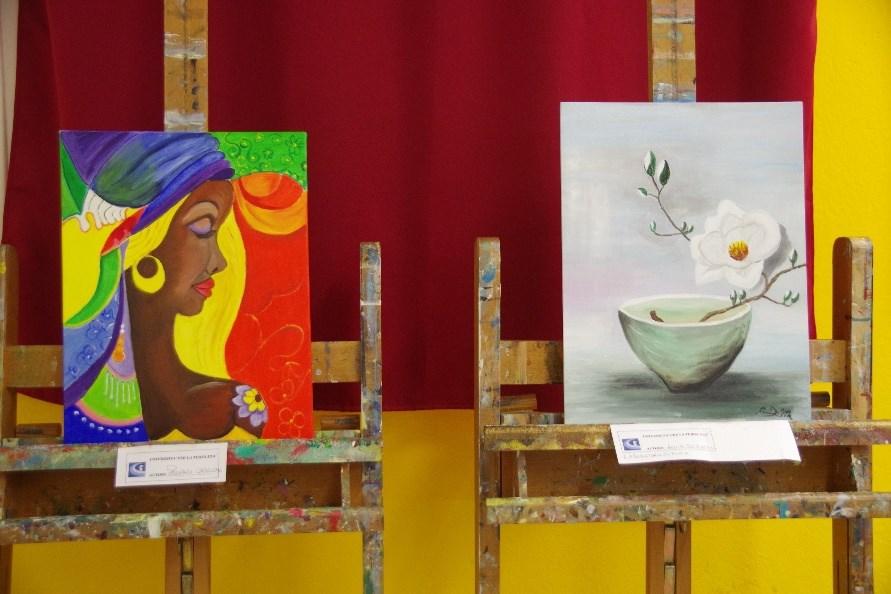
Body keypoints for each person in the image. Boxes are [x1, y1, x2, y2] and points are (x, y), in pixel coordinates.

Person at [62, 132, 295, 443]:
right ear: (141, 242)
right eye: (202, 227)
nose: (219, 262)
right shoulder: (81, 386)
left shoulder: (234, 406)